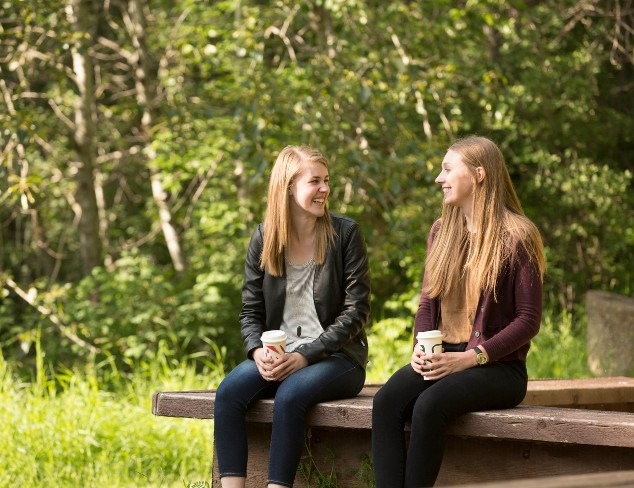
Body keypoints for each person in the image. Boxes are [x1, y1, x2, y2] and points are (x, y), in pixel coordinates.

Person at [371, 136, 545, 488]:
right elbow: (427, 302)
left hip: (498, 368)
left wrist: (472, 358)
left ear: (479, 174)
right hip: (443, 358)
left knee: (429, 405)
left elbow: (528, 320)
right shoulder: (442, 230)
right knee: (385, 401)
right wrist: (421, 347)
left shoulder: (518, 235)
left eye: (448, 169)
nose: (439, 178)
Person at [213, 145, 370, 488]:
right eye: (315, 181)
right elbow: (250, 311)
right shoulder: (265, 237)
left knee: (290, 395)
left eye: (327, 181)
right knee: (227, 393)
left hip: (338, 357)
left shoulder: (345, 234)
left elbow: (356, 311)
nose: (325, 189)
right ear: (288, 186)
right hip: (279, 355)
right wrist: (257, 351)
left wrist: (305, 356)